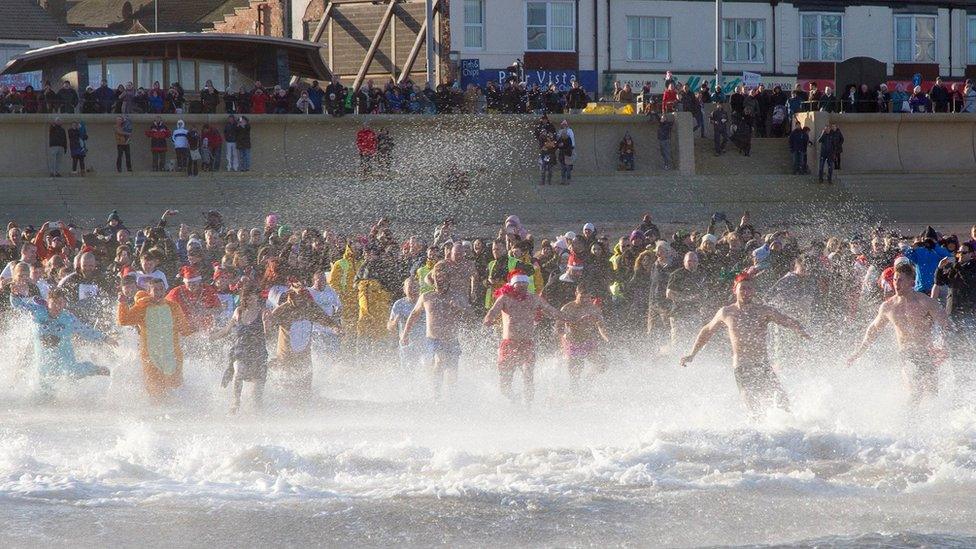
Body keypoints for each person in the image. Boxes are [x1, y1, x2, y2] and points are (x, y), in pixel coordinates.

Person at [680, 273, 810, 417]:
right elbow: (707, 331)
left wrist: (800, 329)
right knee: (753, 407)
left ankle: (789, 435)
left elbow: (785, 320)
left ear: (753, 291)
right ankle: (756, 434)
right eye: (742, 288)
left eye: (749, 289)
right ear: (734, 289)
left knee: (783, 404)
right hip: (742, 366)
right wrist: (692, 354)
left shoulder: (763, 311)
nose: (746, 292)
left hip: (762, 365)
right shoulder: (726, 312)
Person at [848, 261, 950, 405]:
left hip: (926, 353)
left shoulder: (925, 302)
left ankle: (926, 424)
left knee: (933, 394)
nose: (896, 283)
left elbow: (947, 325)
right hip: (906, 353)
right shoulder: (888, 307)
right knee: (916, 391)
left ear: (911, 282)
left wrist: (946, 345)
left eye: (901, 279)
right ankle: (906, 423)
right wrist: (858, 353)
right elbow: (873, 330)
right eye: (895, 279)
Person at [483, 272, 574, 404]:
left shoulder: (534, 298)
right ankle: (514, 400)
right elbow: (492, 311)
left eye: (525, 285)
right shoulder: (505, 298)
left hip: (527, 343)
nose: (522, 288)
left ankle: (528, 406)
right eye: (519, 285)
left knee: (528, 375)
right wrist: (488, 319)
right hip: (509, 344)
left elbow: (550, 310)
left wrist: (565, 318)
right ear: (513, 285)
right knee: (505, 383)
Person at [10, 286, 114, 390]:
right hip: (43, 359)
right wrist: (14, 294)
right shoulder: (37, 311)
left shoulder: (68, 318)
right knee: (43, 388)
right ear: (47, 302)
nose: (57, 306)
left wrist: (105, 338)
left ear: (64, 303)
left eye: (60, 303)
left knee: (71, 373)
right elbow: (18, 305)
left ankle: (94, 369)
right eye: (54, 303)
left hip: (65, 356)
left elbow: (85, 330)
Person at [117, 276, 192, 401]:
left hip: (172, 356)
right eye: (155, 290)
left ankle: (179, 414)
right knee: (155, 391)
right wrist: (122, 304)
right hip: (150, 356)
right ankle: (155, 416)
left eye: (161, 289)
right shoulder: (143, 307)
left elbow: (184, 330)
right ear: (149, 292)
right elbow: (124, 320)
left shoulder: (173, 307)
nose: (159, 292)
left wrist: (197, 332)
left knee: (176, 389)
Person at [401, 264, 467, 398]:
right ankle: (436, 395)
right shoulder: (426, 297)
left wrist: (460, 309)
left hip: (451, 339)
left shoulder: (456, 296)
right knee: (440, 361)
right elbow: (413, 315)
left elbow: (469, 315)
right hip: (434, 340)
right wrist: (405, 334)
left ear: (448, 279)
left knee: (452, 370)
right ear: (432, 279)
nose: (439, 279)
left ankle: (451, 398)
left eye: (442, 276)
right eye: (436, 277)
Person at [211, 283, 267, 414]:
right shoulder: (239, 311)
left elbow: (268, 335)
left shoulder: (263, 312)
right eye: (247, 298)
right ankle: (235, 402)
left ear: (257, 297)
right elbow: (226, 330)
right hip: (241, 350)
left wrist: (266, 324)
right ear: (243, 298)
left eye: (252, 297)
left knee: (256, 398)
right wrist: (211, 337)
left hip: (258, 352)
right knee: (238, 372)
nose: (250, 300)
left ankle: (258, 417)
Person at [555, 283, 610, 392]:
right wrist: (562, 343)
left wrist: (608, 339)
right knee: (576, 372)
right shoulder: (567, 308)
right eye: (582, 297)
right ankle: (574, 391)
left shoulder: (594, 309)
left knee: (603, 364)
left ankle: (588, 380)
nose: (585, 300)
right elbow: (559, 328)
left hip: (588, 342)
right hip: (572, 343)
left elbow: (601, 327)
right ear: (576, 294)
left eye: (587, 298)